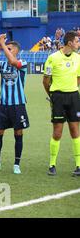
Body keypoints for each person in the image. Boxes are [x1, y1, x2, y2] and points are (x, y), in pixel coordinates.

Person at [0, 34, 29, 174]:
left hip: (18, 105)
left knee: (18, 133)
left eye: (9, 49)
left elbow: (13, 62)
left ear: (16, 50)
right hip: (3, 105)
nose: (7, 51)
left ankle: (16, 164)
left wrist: (2, 43)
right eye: (6, 48)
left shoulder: (22, 63)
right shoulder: (3, 64)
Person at [43, 31, 80, 176]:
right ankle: (52, 165)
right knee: (57, 132)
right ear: (69, 43)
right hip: (58, 97)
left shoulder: (78, 58)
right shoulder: (52, 58)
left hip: (73, 97)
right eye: (77, 41)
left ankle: (78, 165)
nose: (78, 43)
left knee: (75, 130)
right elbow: (46, 81)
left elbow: (78, 78)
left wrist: (73, 89)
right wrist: (52, 96)